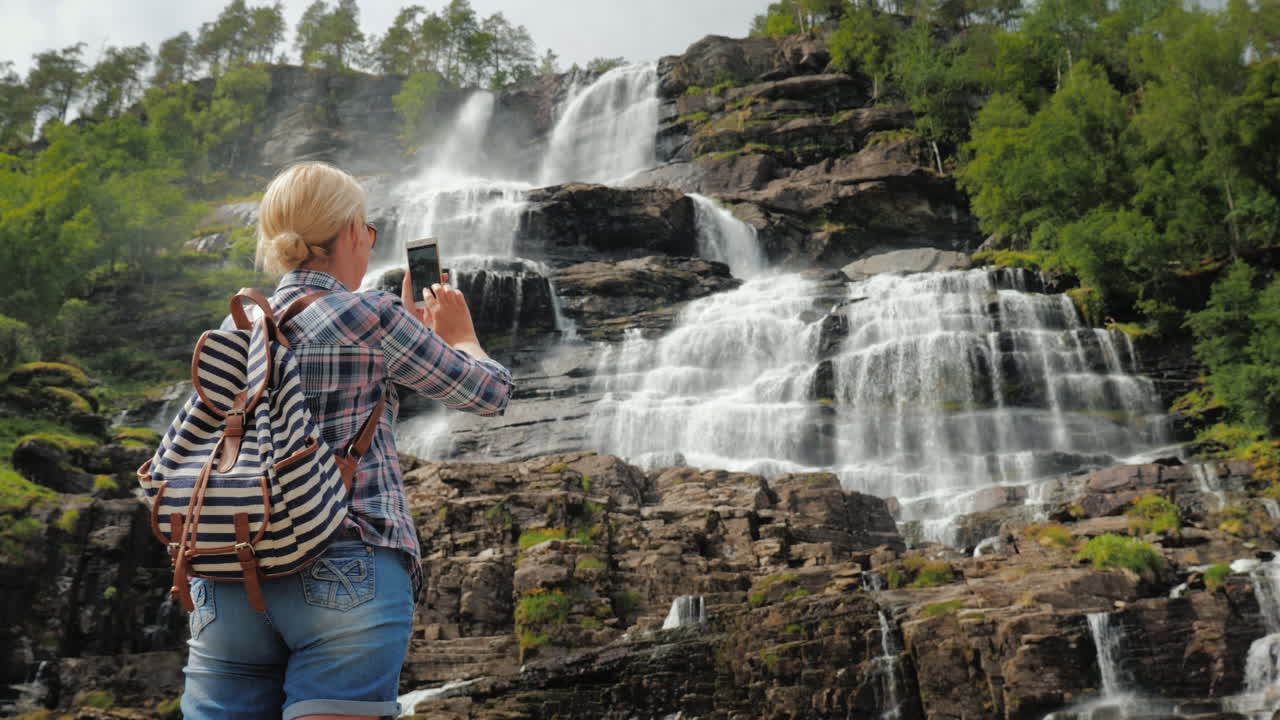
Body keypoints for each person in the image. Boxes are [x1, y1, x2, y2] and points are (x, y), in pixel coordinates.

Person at [180, 161, 513, 720]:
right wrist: (462, 338)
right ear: (353, 232)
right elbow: (488, 393)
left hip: (228, 571)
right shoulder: (371, 314)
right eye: (369, 230)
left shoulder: (233, 328)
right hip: (345, 565)